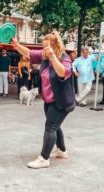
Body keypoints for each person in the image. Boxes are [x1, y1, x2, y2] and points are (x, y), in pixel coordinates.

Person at [12, 32, 75, 169]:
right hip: (49, 100)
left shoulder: (65, 59)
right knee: (55, 126)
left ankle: (44, 158)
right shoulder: (44, 56)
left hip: (61, 101)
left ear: (55, 46)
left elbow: (63, 72)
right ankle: (62, 151)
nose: (43, 50)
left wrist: (53, 57)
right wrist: (17, 45)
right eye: (43, 46)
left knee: (50, 127)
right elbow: (28, 52)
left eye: (46, 47)